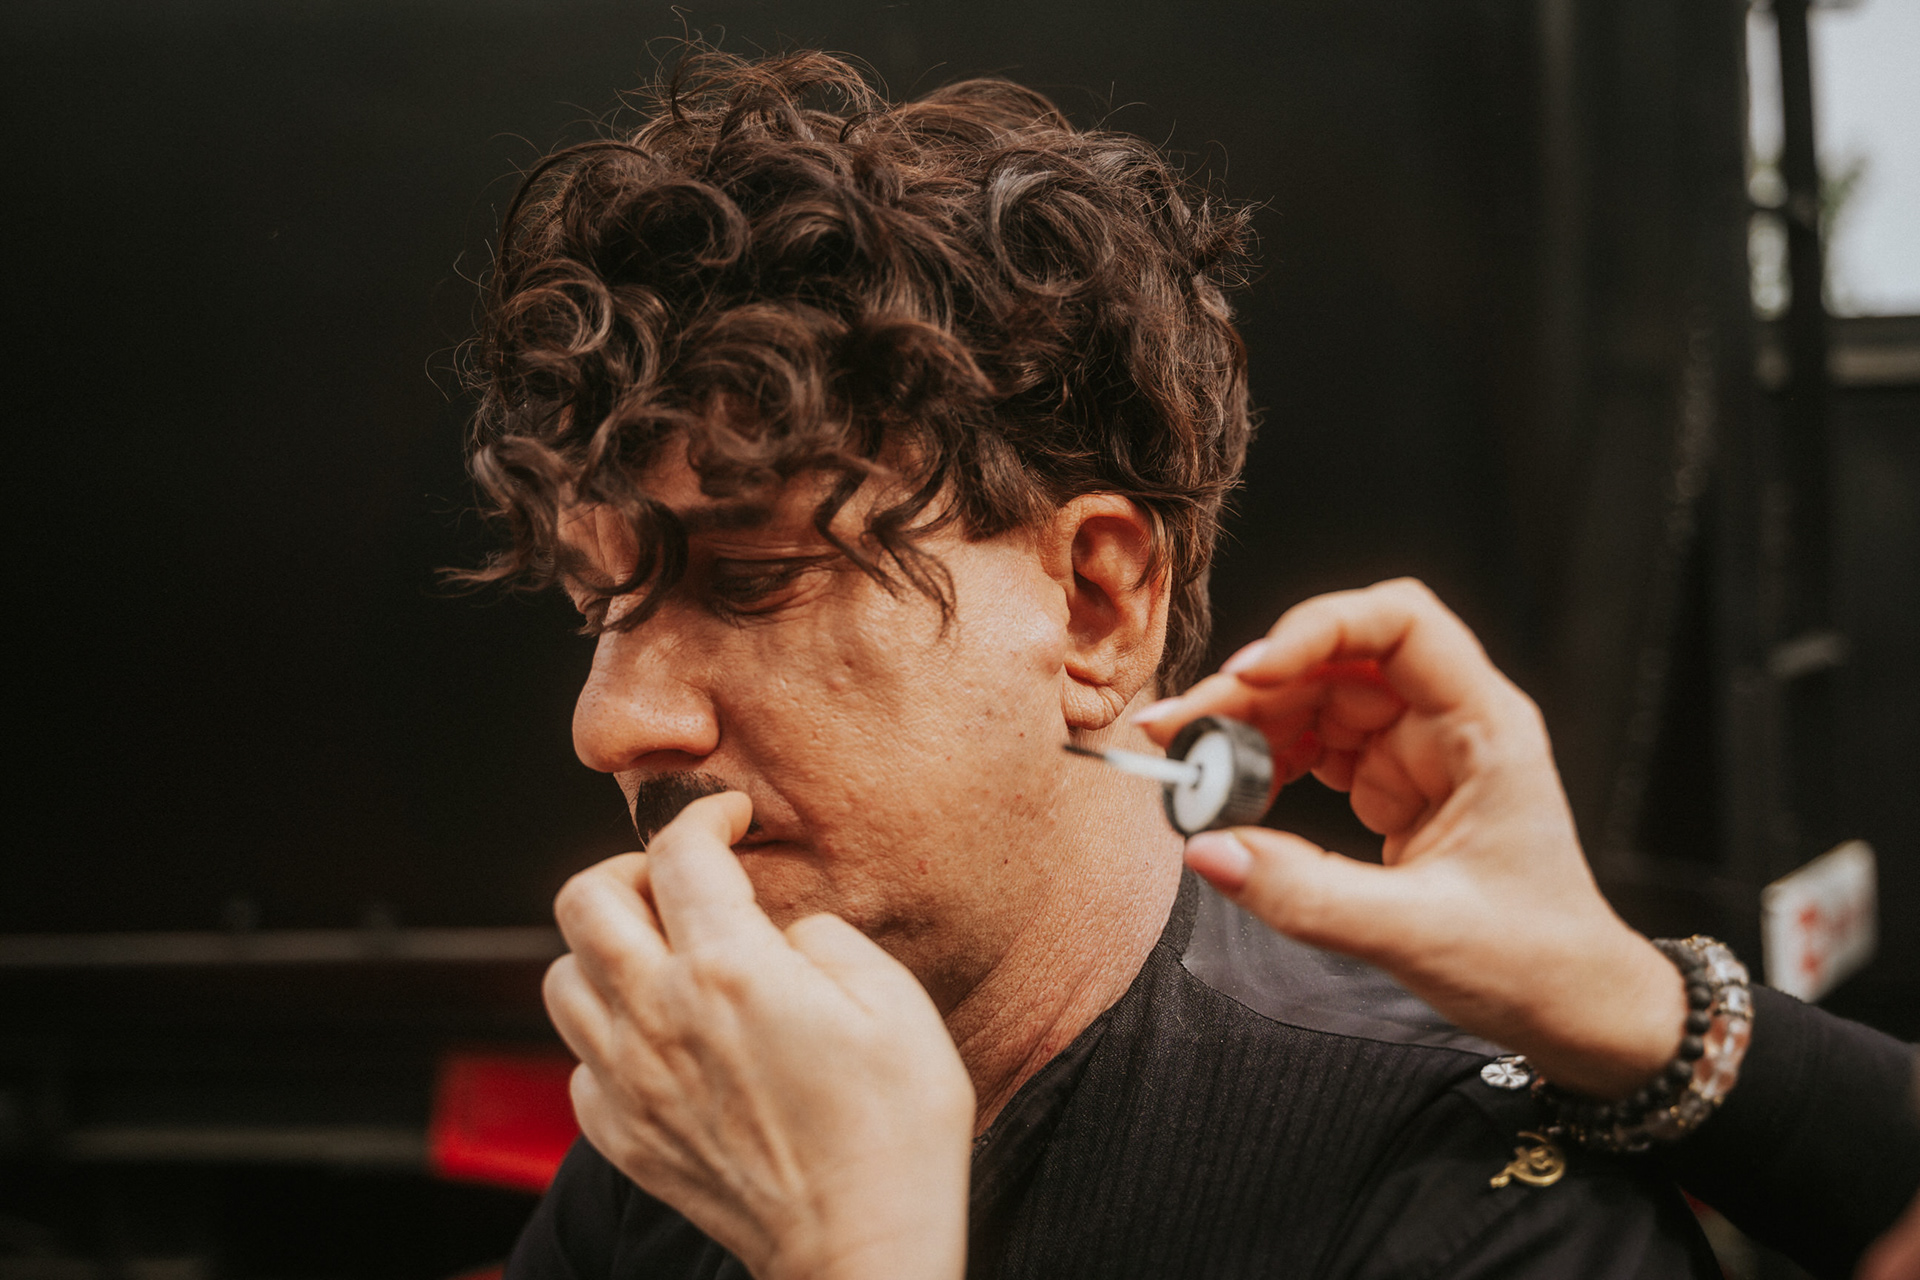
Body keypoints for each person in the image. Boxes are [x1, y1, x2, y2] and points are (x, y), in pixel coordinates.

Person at [461, 49, 1919, 1279]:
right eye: (601, 610)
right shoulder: (691, 1121)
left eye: (756, 581)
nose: (614, 721)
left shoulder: (1454, 1206)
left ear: (1098, 605)